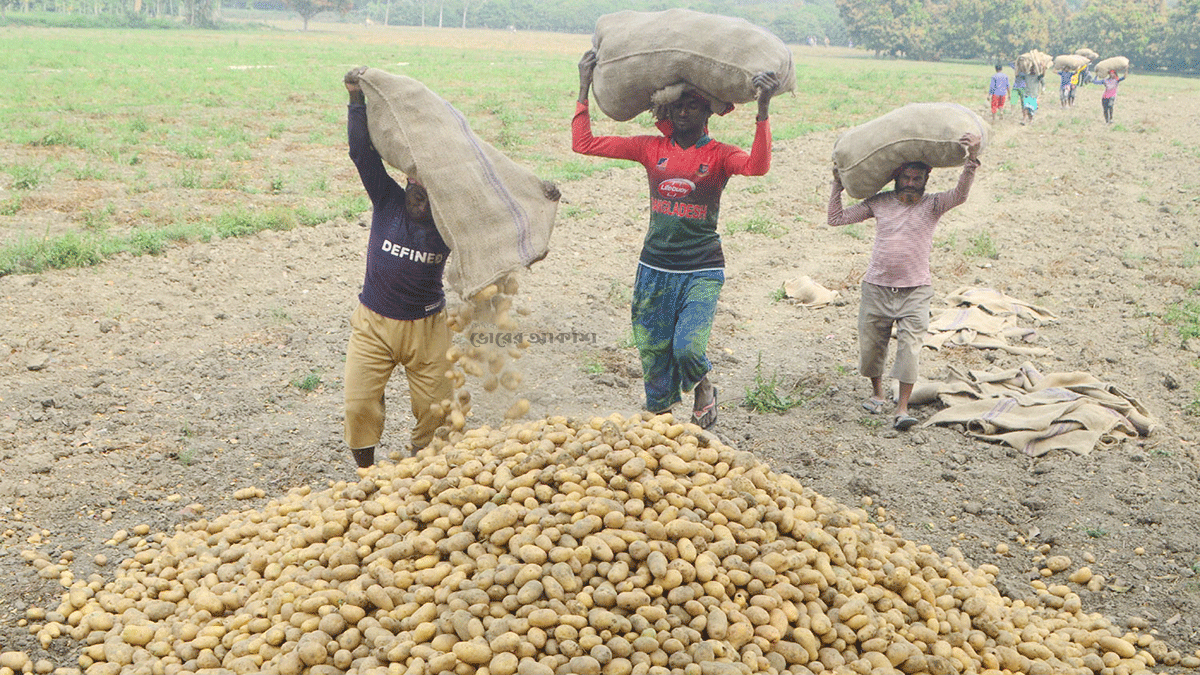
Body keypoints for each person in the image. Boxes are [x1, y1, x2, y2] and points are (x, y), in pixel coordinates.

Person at [572, 49, 780, 429]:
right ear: (665, 113)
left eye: (692, 105)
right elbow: (584, 144)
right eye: (677, 107)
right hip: (654, 267)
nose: (683, 113)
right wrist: (584, 85)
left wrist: (762, 109)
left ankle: (703, 385)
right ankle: (662, 427)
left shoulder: (719, 155)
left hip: (701, 268)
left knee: (688, 347)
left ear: (708, 113)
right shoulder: (651, 148)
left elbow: (757, 165)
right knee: (652, 350)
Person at [827, 133, 983, 430]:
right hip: (876, 287)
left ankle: (901, 408)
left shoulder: (934, 205)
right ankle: (877, 394)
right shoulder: (879, 203)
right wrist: (837, 183)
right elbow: (836, 219)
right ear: (896, 177)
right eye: (907, 177)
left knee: (910, 348)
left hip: (916, 289)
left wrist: (971, 161)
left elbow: (961, 195)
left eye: (917, 178)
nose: (911, 183)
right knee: (872, 347)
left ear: (927, 179)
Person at [340, 66, 453, 469]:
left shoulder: (452, 218)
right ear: (405, 181)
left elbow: (496, 220)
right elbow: (361, 154)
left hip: (428, 328)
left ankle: (423, 471)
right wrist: (356, 99)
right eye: (414, 188)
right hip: (373, 323)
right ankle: (367, 476)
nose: (419, 198)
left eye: (428, 191)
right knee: (358, 404)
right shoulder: (387, 199)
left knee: (437, 411)